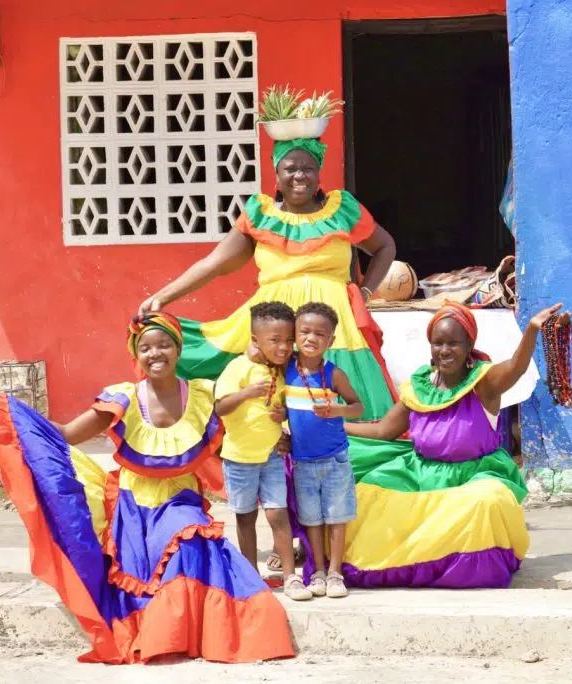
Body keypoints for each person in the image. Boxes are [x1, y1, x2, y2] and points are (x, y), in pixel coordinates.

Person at [0, 312, 294, 664]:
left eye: (164, 345)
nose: (156, 354)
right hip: (133, 506)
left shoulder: (202, 395)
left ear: (178, 350)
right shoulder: (124, 399)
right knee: (143, 564)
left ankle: (178, 635)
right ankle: (161, 633)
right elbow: (68, 434)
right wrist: (13, 418)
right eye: (146, 347)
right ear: (136, 354)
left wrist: (278, 440)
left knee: (188, 542)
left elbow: (240, 432)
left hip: (181, 500)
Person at [138, 134, 399, 572]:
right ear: (276, 175)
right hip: (270, 334)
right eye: (289, 168)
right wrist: (163, 297)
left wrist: (366, 292)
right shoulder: (259, 214)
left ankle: (347, 541)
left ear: (320, 173)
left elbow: (384, 246)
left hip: (334, 335)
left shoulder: (344, 209)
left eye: (307, 168)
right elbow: (215, 263)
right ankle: (291, 541)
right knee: (277, 432)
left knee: (334, 429)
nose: (299, 175)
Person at [343, 301, 563, 589]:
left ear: (469, 344)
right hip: (419, 473)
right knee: (368, 492)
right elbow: (385, 430)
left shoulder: (484, 383)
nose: (444, 350)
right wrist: (334, 426)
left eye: (453, 344)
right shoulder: (420, 387)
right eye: (438, 343)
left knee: (487, 501)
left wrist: (532, 331)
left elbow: (515, 367)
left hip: (474, 474)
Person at [214, 301, 310, 601]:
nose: (283, 347)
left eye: (287, 340)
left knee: (277, 514)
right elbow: (219, 408)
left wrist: (283, 421)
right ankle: (250, 575)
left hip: (271, 456)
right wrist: (245, 393)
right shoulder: (238, 368)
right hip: (239, 458)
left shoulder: (281, 372)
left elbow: (282, 408)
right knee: (244, 517)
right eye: (275, 341)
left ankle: (290, 576)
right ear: (255, 340)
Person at [284, 302, 363, 598]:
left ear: (331, 340)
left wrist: (337, 409)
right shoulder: (287, 370)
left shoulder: (334, 374)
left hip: (335, 460)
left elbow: (358, 406)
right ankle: (317, 571)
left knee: (336, 518)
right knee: (312, 521)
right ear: (294, 334)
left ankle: (335, 573)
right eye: (304, 331)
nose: (311, 338)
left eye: (320, 334)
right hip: (303, 461)